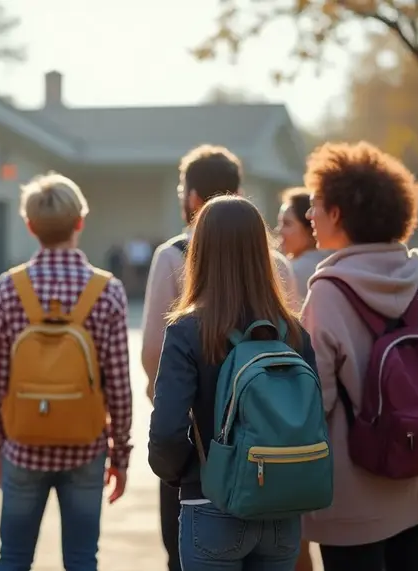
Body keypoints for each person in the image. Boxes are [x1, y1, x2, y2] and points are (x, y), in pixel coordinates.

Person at [300, 142, 418, 570]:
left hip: (352, 497)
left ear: (338, 213)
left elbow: (315, 402)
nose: (309, 215)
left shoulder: (327, 294)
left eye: (316, 204)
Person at [140, 144, 299, 571]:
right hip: (280, 500)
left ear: (199, 247)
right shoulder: (291, 328)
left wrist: (179, 473)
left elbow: (169, 431)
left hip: (209, 495)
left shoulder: (188, 328)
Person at [0, 172, 132, 571]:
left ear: (30, 226)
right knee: (83, 559)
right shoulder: (107, 290)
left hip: (24, 445)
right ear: (80, 222)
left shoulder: (8, 287)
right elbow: (118, 383)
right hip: (85, 447)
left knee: (13, 557)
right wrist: (120, 452)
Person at [276, 187, 332, 307]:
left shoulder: (293, 271)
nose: (279, 230)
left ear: (309, 229)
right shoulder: (330, 263)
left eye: (287, 224)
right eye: (280, 223)